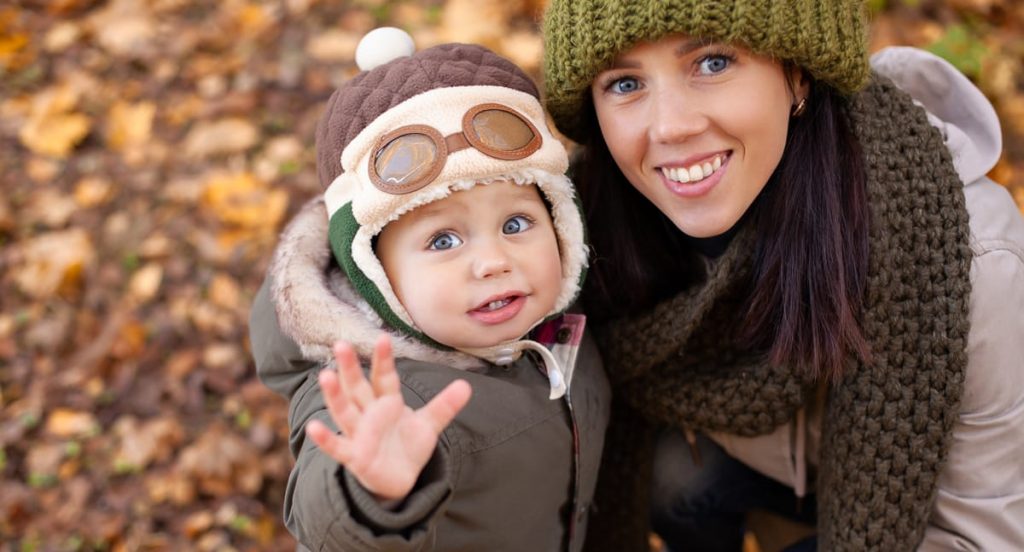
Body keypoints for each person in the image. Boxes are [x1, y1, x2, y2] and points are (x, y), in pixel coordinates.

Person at [541, 1, 1024, 550]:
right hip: (759, 476)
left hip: (907, 517)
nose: (671, 126)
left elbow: (985, 534)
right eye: (625, 83)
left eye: (713, 62)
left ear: (797, 74)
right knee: (671, 476)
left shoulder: (966, 255)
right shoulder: (580, 231)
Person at [248, 32, 610, 551]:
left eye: (515, 224)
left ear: (560, 225)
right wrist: (371, 493)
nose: (493, 262)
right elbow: (327, 520)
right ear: (377, 278)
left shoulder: (556, 318)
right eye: (443, 240)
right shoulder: (383, 396)